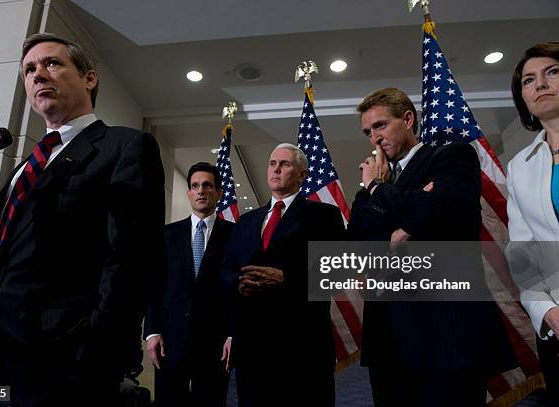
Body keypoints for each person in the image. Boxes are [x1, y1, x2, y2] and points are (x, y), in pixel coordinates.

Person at [0, 32, 165, 405]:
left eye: (52, 63)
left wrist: (94, 354)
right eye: (29, 70)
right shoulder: (24, 168)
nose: (38, 75)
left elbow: (130, 261)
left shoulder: (124, 146)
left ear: (89, 78)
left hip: (57, 367)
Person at [348, 88, 516, 406]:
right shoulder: (364, 194)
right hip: (388, 339)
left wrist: (377, 187)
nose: (374, 138)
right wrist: (400, 233)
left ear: (408, 119)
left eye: (381, 125)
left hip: (445, 332)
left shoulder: (453, 157)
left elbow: (438, 213)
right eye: (368, 132)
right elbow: (356, 246)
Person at [221, 143, 344, 406]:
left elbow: (337, 269)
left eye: (285, 164)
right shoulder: (246, 221)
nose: (276, 169)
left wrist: (288, 277)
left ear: (302, 175)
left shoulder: (324, 215)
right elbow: (225, 271)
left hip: (301, 346)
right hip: (253, 346)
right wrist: (237, 282)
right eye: (272, 163)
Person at [144, 161, 234, 406]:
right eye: (195, 186)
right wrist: (151, 331)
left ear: (219, 192)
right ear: (189, 193)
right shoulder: (166, 235)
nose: (201, 191)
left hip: (215, 344)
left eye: (207, 185)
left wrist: (232, 334)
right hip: (170, 342)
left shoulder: (235, 235)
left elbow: (238, 291)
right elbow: (154, 286)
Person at [506, 41, 559, 405]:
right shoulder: (520, 165)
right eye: (529, 80)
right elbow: (522, 252)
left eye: (552, 72)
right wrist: (549, 312)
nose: (539, 85)